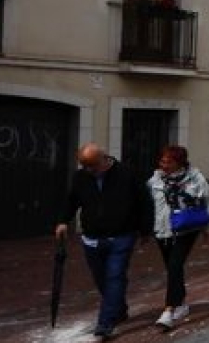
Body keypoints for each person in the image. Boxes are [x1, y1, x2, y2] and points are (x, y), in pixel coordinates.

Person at [55, 143, 153, 340]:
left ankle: (105, 323)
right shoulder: (81, 176)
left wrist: (145, 231)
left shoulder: (127, 174)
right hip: (92, 237)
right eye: (85, 166)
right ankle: (119, 308)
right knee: (101, 279)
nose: (89, 170)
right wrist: (63, 221)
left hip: (122, 235)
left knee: (114, 276)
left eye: (92, 165)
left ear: (103, 159)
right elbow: (72, 200)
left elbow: (144, 202)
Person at [147, 145, 209, 331]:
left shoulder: (195, 179)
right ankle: (181, 303)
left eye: (169, 162)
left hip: (186, 230)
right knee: (172, 268)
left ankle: (168, 310)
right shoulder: (155, 180)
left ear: (180, 163)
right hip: (162, 231)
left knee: (175, 265)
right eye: (162, 161)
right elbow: (149, 205)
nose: (164, 165)